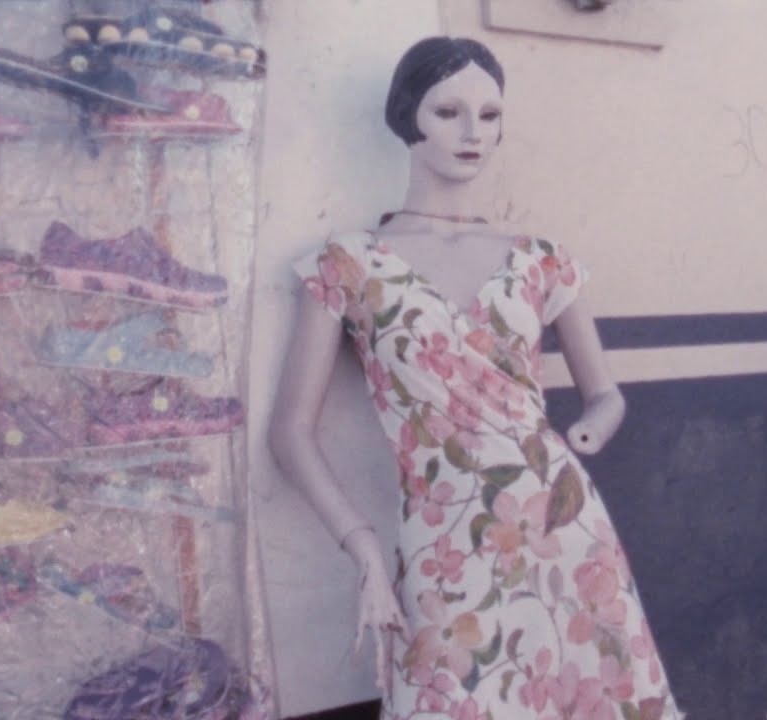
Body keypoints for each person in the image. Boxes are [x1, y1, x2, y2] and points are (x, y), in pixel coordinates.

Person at [268, 36, 683, 720]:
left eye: (489, 115)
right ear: (407, 114)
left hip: (562, 527)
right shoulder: (349, 264)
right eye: (448, 112)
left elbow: (605, 393)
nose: (473, 133)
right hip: (442, 543)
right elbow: (290, 432)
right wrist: (362, 545)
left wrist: (591, 427)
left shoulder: (540, 258)